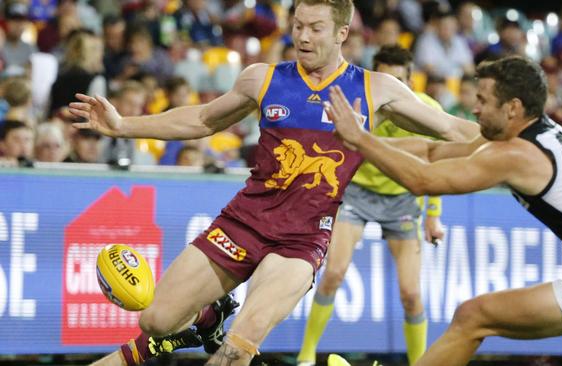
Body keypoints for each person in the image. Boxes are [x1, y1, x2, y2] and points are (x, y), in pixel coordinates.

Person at [69, 1, 478, 365]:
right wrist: (123, 125)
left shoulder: (375, 89)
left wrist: (520, 138)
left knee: (234, 352)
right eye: (297, 25)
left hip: (300, 243)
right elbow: (203, 119)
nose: (301, 36)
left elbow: (451, 128)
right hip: (243, 222)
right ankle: (210, 317)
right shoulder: (262, 79)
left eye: (315, 28)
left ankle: (226, 333)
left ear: (342, 33)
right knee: (156, 320)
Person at [325, 55, 562, 366]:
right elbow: (433, 150)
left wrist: (363, 140)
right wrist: (353, 145)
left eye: (483, 100)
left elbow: (423, 180)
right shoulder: (542, 134)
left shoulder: (516, 155)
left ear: (512, 108)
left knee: (473, 317)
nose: (475, 108)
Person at [297, 45, 445, 366]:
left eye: (400, 82)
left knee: (411, 294)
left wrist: (433, 216)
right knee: (333, 272)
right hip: (357, 192)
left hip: (403, 198)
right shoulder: (357, 104)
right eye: (385, 80)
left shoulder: (428, 109)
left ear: (411, 83)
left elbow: (436, 164)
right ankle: (306, 357)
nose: (392, 90)